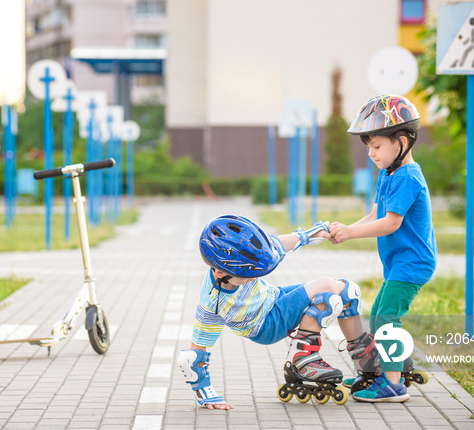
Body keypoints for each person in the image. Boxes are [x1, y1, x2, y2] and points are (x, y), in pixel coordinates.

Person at [177, 214, 369, 410]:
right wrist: (205, 394)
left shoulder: (240, 260)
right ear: (220, 273)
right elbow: (193, 356)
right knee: (327, 292)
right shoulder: (213, 303)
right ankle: (301, 360)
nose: (254, 278)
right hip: (265, 325)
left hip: (274, 298)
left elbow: (278, 244)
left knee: (348, 291)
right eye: (248, 275)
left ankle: (367, 365)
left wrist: (314, 234)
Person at [328, 94, 437, 403]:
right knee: (378, 314)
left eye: (376, 147)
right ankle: (390, 367)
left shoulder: (408, 176)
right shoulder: (388, 174)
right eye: (368, 148)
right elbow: (375, 216)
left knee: (386, 317)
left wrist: (351, 234)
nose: (372, 154)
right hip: (398, 261)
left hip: (412, 262)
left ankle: (393, 385)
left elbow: (390, 224)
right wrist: (345, 229)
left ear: (401, 141)